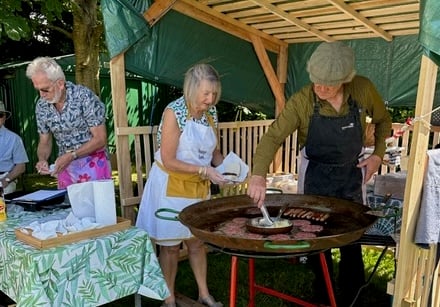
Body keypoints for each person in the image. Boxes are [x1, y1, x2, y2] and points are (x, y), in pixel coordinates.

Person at [247, 41, 392, 306]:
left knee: (351, 236)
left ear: (345, 80)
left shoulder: (363, 89)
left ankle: (353, 294)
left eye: (329, 84)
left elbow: (384, 121)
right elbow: (273, 137)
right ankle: (322, 293)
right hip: (315, 175)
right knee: (315, 235)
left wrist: (377, 155)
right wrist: (258, 175)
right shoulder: (303, 100)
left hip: (351, 174)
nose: (321, 88)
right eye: (317, 82)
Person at [136, 63, 227, 307]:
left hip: (197, 187)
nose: (211, 99)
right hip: (170, 186)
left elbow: (214, 152)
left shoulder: (211, 113)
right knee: (171, 246)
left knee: (197, 242)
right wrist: (204, 169)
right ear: (192, 89)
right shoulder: (173, 112)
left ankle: (204, 294)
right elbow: (168, 159)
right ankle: (169, 298)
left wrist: (227, 167)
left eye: (214, 93)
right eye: (206, 93)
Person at [25, 57, 111, 189]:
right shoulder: (41, 106)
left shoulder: (84, 97)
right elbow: (44, 142)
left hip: (93, 162)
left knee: (97, 208)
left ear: (60, 83)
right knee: (68, 208)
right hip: (65, 166)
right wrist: (42, 159)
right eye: (38, 89)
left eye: (45, 89)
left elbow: (100, 139)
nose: (41, 95)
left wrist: (72, 155)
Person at [0, 101, 29, 194]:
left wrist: (5, 181)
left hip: (4, 178)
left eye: (0, 115)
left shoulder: (14, 139)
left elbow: (21, 166)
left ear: (4, 118)